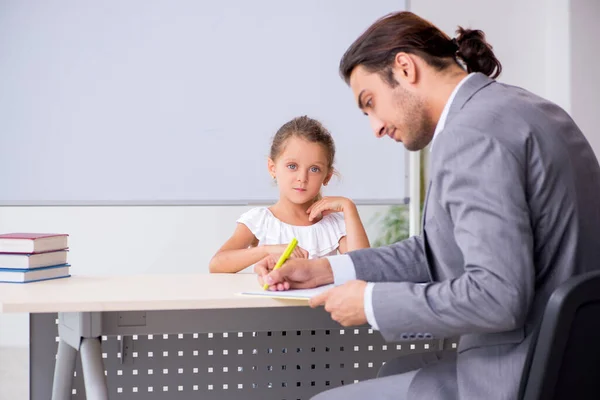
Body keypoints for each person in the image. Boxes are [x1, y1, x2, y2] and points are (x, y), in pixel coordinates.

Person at [254, 11, 600, 400]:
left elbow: (497, 297)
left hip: (514, 376)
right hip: (570, 367)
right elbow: (436, 249)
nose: (376, 127)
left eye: (371, 103)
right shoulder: (527, 110)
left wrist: (370, 303)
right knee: (394, 369)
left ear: (404, 68)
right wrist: (325, 269)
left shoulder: (471, 135)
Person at [209, 115, 370, 273]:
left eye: (314, 169)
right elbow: (217, 264)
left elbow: (364, 268)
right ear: (272, 168)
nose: (302, 178)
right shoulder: (260, 220)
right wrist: (267, 250)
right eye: (292, 166)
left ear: (327, 176)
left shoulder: (334, 225)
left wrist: (349, 208)